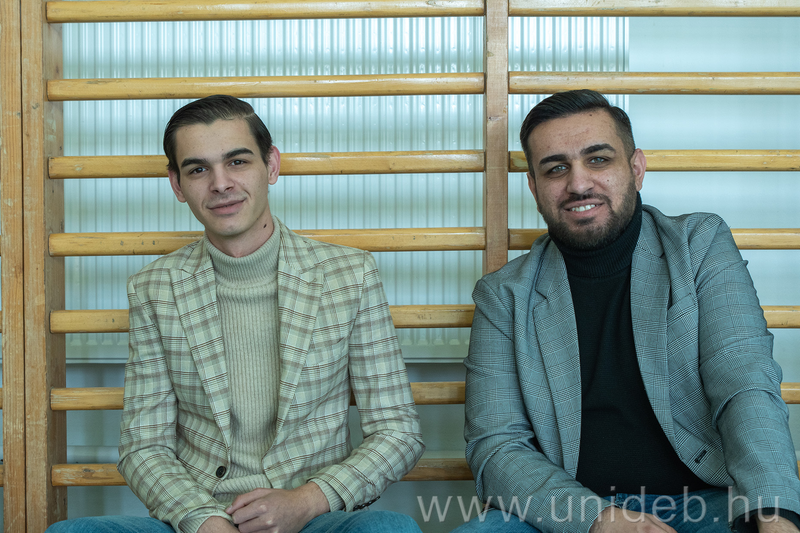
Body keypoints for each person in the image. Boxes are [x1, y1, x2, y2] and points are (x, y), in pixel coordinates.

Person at [47, 95, 425, 533]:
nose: (220, 183)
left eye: (238, 162)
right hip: (203, 518)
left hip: (315, 518)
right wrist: (203, 519)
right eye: (198, 169)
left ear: (272, 165)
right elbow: (144, 446)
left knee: (389, 527)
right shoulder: (154, 288)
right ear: (177, 185)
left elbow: (398, 432)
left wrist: (307, 501)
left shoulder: (350, 275)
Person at [454, 90, 800, 533]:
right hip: (570, 511)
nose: (579, 184)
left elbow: (744, 385)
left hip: (703, 501)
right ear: (535, 188)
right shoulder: (504, 295)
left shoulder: (699, 245)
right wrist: (596, 519)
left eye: (598, 159)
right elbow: (496, 446)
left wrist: (772, 512)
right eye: (556, 168)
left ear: (636, 168)